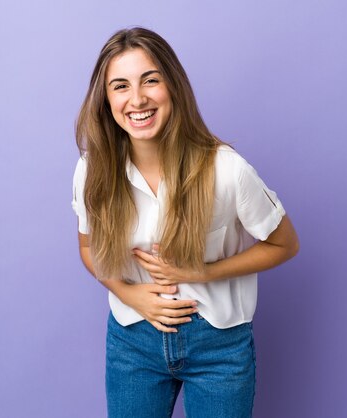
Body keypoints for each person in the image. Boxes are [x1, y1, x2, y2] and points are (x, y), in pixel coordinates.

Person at [72, 27, 299, 418]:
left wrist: (205, 271)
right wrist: (130, 296)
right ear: (106, 100)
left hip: (219, 347)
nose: (137, 99)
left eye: (150, 80)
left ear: (173, 85)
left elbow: (285, 244)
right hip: (133, 341)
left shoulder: (226, 169)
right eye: (120, 86)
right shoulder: (92, 170)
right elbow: (89, 248)